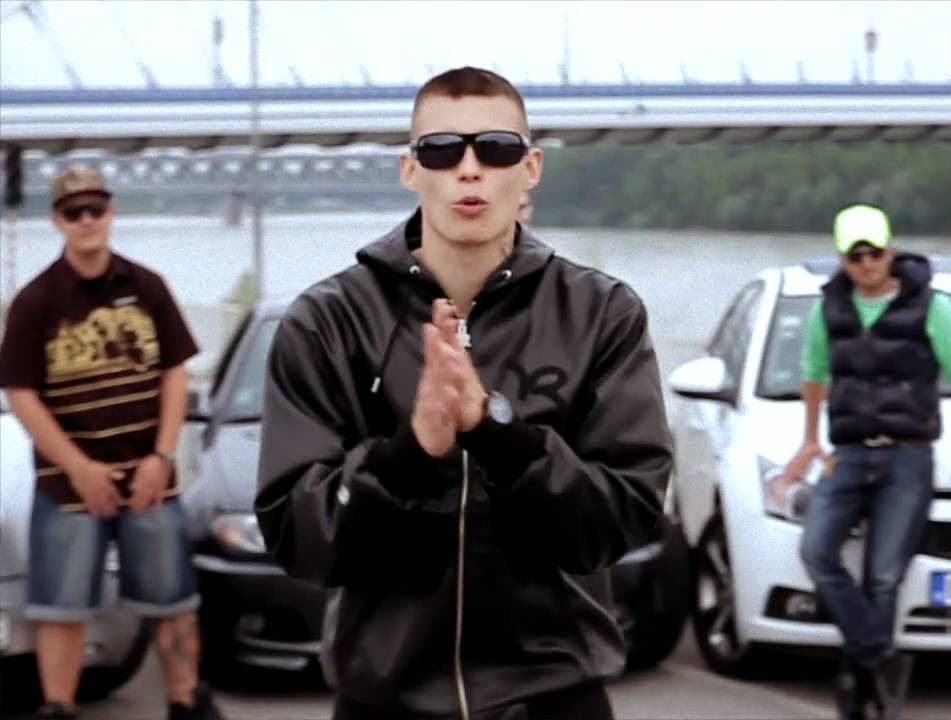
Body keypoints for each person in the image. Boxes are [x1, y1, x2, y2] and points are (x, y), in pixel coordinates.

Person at [254, 66, 673, 720]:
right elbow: (297, 536)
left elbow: (625, 516)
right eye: (442, 150)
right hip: (384, 700)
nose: (469, 169)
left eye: (496, 149)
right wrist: (408, 456)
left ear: (531, 168)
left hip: (552, 696)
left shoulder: (601, 313)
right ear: (410, 169)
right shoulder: (328, 321)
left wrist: (498, 437)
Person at [0, 167, 224, 720]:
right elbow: (22, 394)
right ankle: (59, 707)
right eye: (73, 212)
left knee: (174, 603)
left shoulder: (147, 288)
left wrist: (161, 458)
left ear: (110, 212)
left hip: (150, 480)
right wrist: (77, 468)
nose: (86, 221)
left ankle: (186, 702)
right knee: (59, 609)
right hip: (67, 488)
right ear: (57, 220)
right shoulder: (34, 301)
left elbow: (174, 373)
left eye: (95, 209)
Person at [776, 204, 951, 720]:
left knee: (883, 576)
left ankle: (860, 690)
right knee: (817, 552)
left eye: (875, 252)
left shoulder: (932, 306)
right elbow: (813, 373)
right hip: (850, 453)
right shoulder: (828, 309)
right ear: (842, 259)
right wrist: (809, 440)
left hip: (907, 456)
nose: (867, 264)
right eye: (855, 256)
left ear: (891, 251)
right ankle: (881, 659)